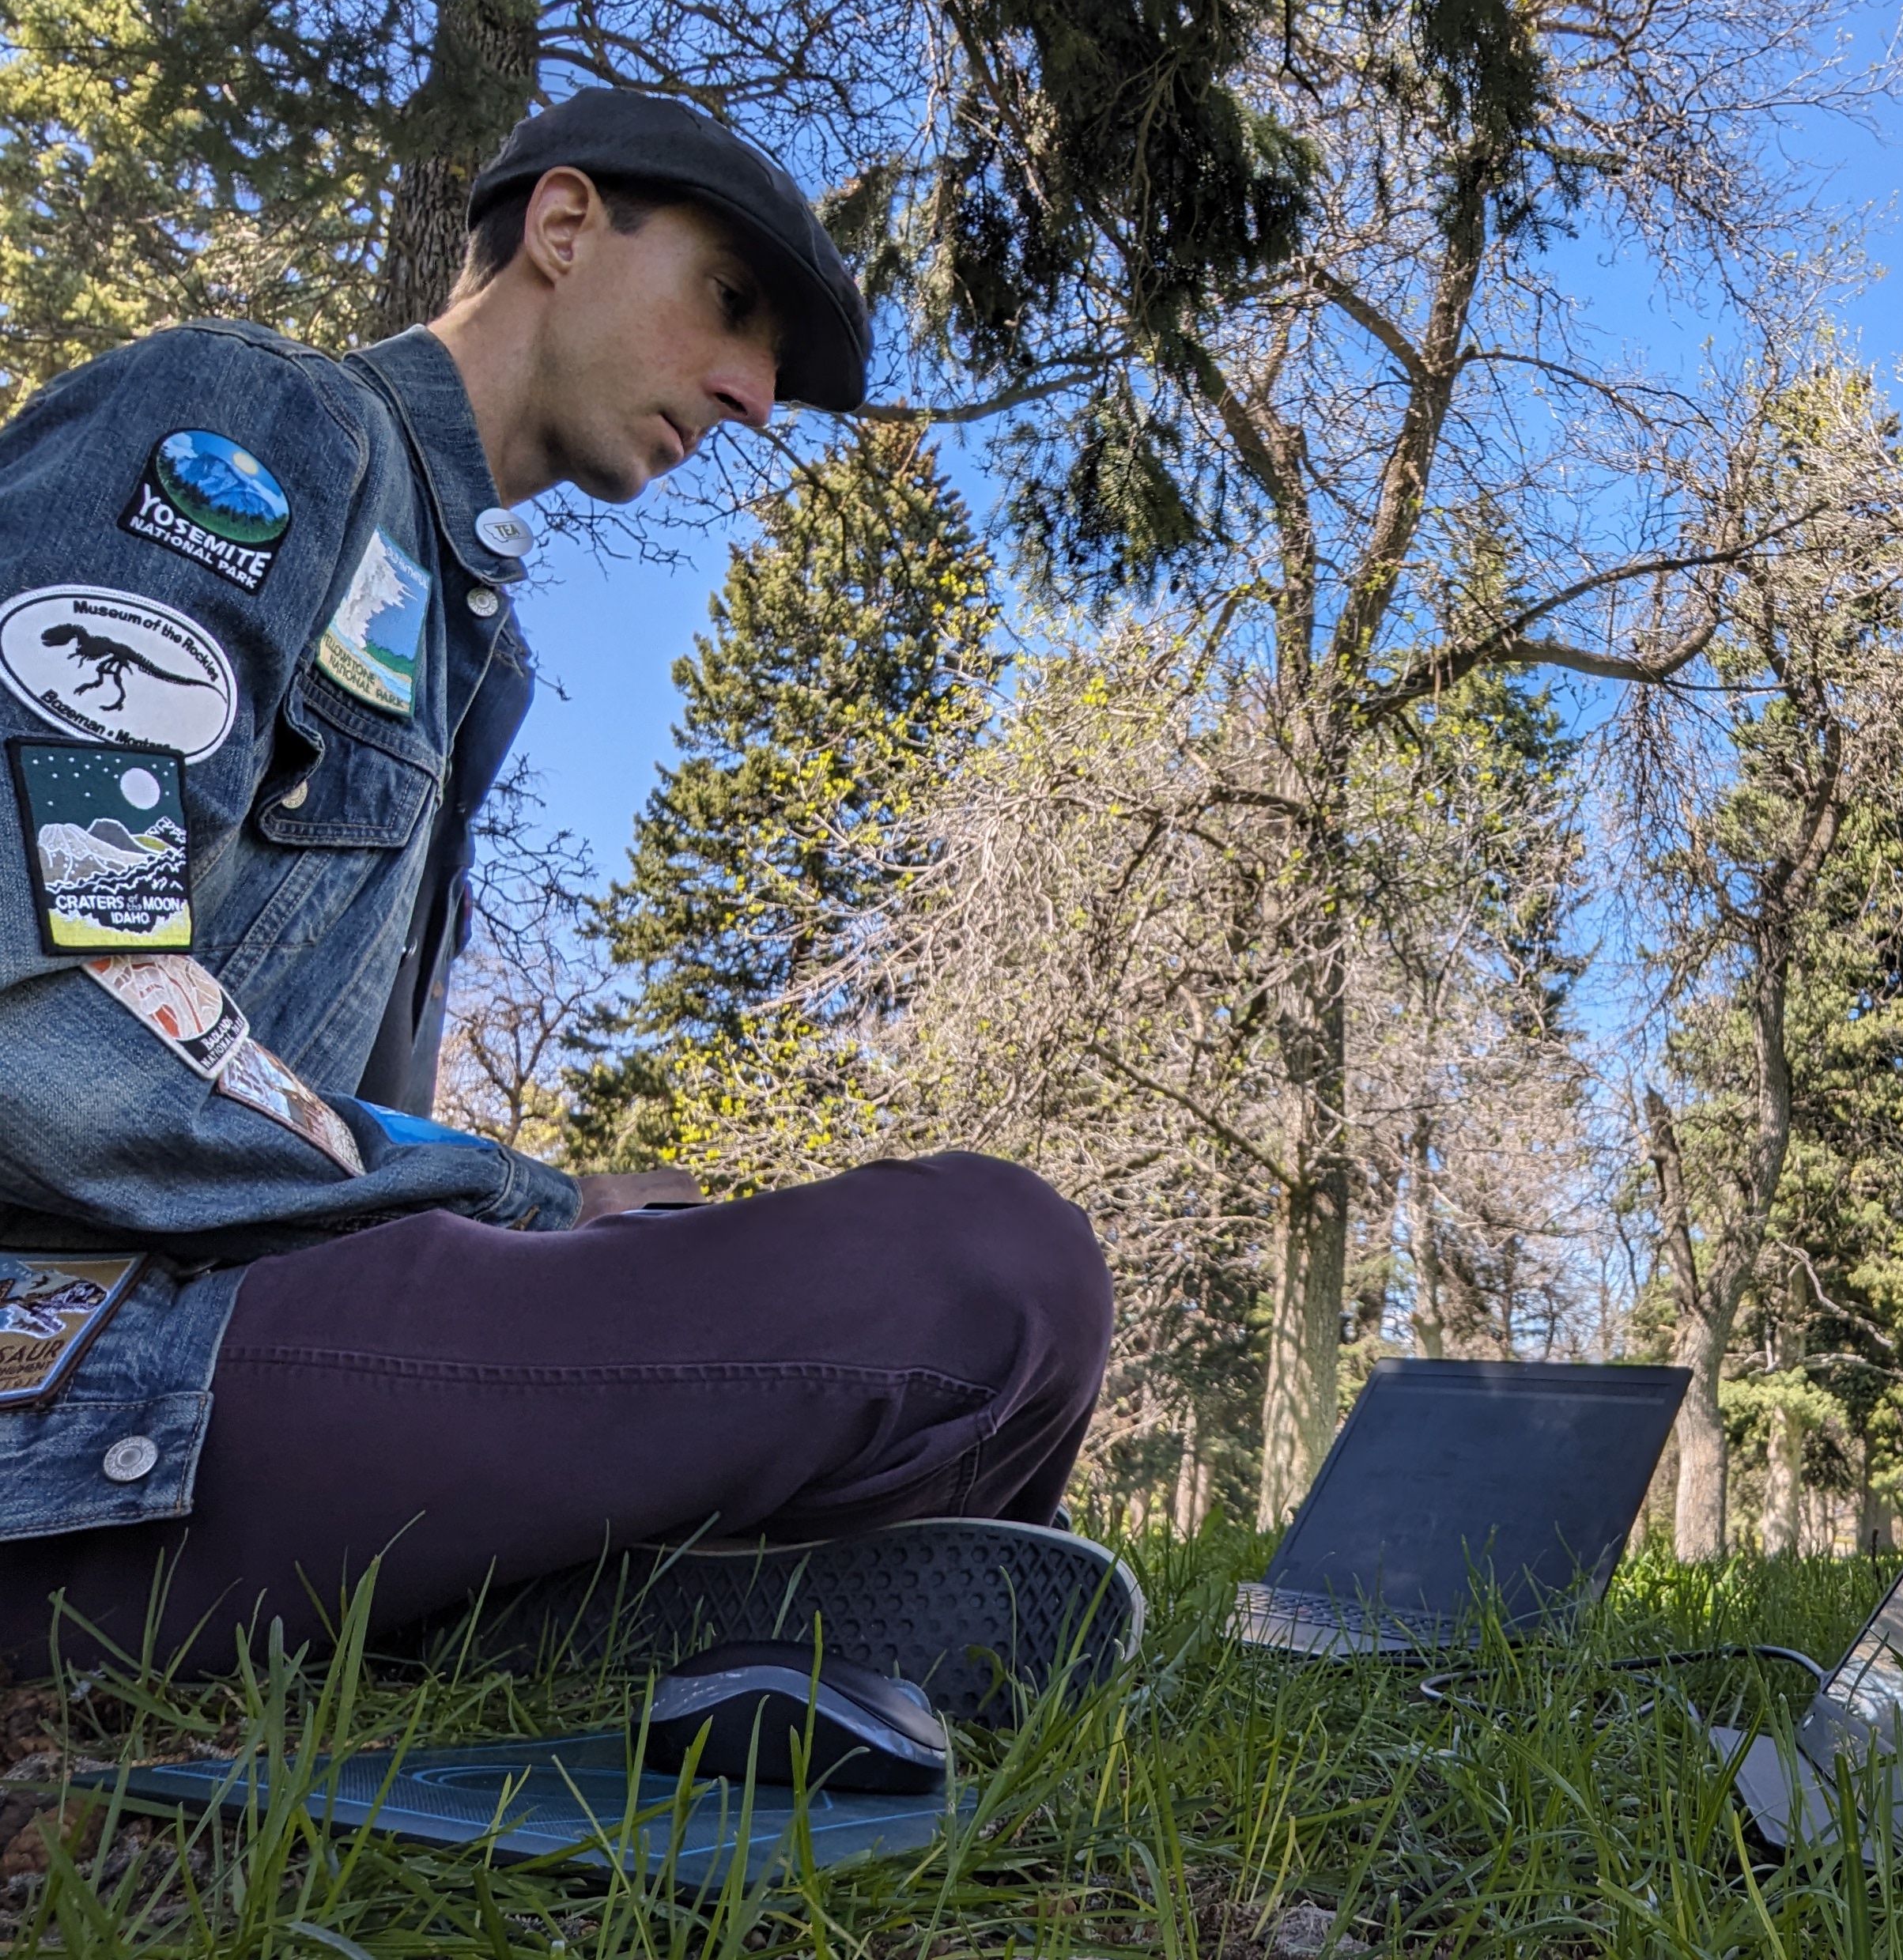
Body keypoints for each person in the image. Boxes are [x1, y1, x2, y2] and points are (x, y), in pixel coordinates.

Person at [0, 93, 1121, 1692]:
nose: (747, 394)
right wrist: (533, 1204)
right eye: (730, 307)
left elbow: (314, 1129)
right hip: (81, 1365)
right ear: (566, 226)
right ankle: (598, 1617)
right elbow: (46, 988)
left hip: (210, 1351)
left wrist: (568, 1234)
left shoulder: (471, 650)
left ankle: (587, 1621)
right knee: (994, 1274)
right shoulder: (246, 426)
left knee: (947, 1320)